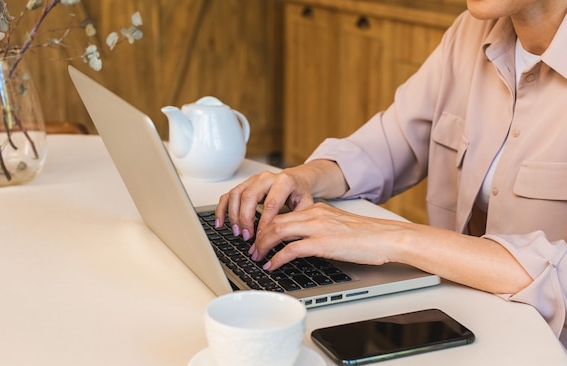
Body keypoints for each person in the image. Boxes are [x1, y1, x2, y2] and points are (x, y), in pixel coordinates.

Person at [215, 0, 567, 347]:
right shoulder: (469, 33)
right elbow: (393, 140)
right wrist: (305, 177)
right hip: (462, 323)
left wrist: (396, 239)